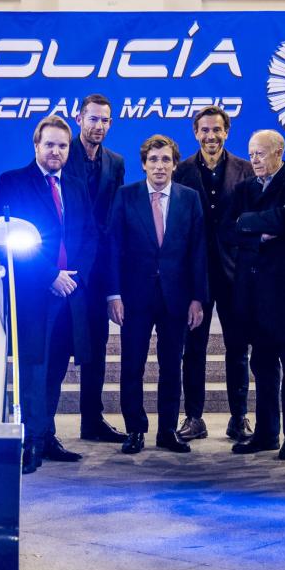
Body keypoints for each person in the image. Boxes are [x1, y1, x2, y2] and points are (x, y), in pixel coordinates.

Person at [0, 115, 97, 474]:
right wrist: (50, 275)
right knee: (33, 370)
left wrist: (73, 278)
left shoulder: (78, 185)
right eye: (49, 144)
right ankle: (29, 443)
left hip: (72, 294)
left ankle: (47, 435)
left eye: (63, 145)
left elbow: (89, 236)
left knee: (56, 369)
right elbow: (8, 241)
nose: (56, 151)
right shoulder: (12, 182)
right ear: (36, 145)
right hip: (33, 293)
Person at [105, 135, 208, 455]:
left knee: (171, 366)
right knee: (132, 365)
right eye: (153, 160)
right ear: (144, 164)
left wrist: (197, 298)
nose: (159, 166)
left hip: (176, 298)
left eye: (165, 160)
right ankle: (135, 430)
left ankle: (167, 431)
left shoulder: (189, 198)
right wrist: (113, 295)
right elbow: (113, 249)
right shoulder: (126, 196)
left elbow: (198, 250)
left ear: (175, 164)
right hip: (134, 298)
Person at [223, 130, 285, 459]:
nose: (255, 160)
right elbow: (227, 229)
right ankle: (266, 433)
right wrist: (256, 234)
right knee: (261, 364)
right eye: (251, 154)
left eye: (260, 153)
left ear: (279, 152)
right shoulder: (245, 187)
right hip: (253, 291)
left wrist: (248, 222)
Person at [171, 105, 254, 443]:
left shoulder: (246, 169)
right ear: (195, 133)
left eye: (216, 130)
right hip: (196, 275)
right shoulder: (181, 171)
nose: (211, 136)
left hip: (234, 274)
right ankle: (194, 418)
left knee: (238, 348)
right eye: (204, 130)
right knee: (193, 348)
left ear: (226, 132)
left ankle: (239, 418)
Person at [61, 94, 126, 444]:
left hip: (99, 270)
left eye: (104, 121)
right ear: (79, 118)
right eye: (92, 119)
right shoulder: (60, 152)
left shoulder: (115, 162)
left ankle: (92, 420)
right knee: (58, 348)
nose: (98, 126)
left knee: (97, 348)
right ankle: (44, 430)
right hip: (65, 270)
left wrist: (113, 283)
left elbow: (112, 223)